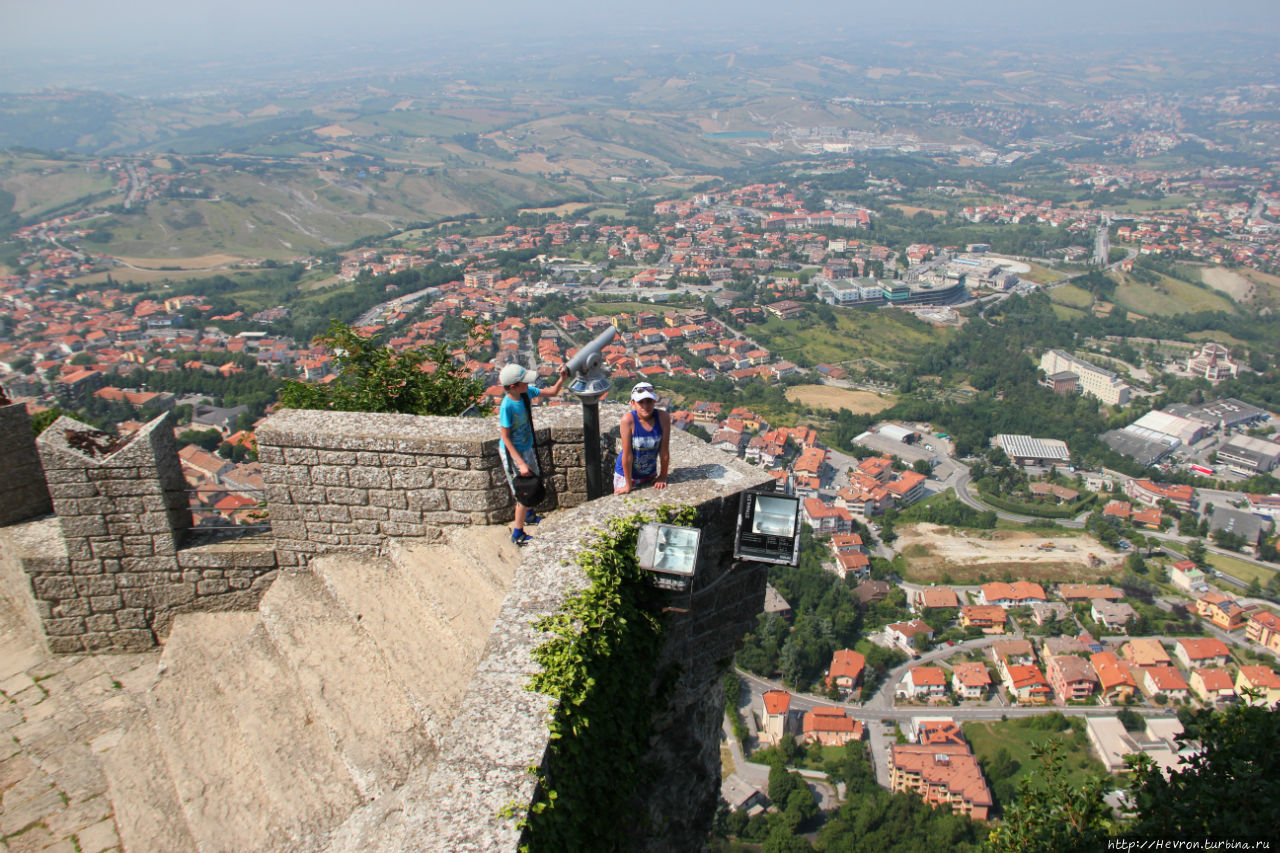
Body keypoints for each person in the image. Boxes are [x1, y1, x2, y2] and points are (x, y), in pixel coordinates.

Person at [498, 362, 569, 546]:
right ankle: (517, 533)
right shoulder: (507, 406)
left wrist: (562, 379)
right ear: (513, 386)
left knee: (532, 482)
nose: (528, 384)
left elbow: (552, 392)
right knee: (523, 493)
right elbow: (505, 438)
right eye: (524, 382)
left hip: (526, 447)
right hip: (514, 453)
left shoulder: (526, 393)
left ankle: (529, 515)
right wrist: (520, 463)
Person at [614, 381, 671, 495]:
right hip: (625, 474)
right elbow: (627, 454)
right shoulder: (628, 420)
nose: (646, 406)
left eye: (649, 401)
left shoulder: (663, 418)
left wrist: (663, 476)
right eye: (641, 402)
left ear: (654, 401)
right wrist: (628, 485)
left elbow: (664, 450)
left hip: (649, 473)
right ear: (633, 403)